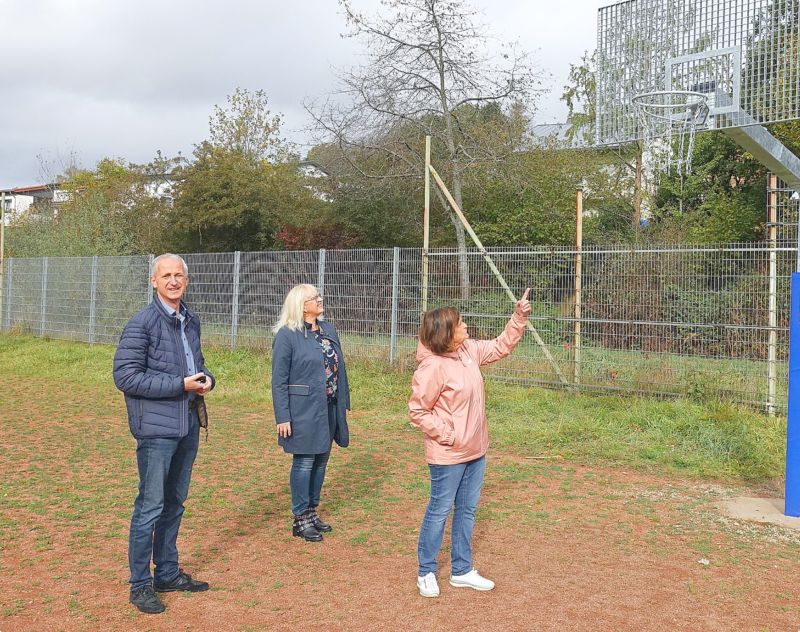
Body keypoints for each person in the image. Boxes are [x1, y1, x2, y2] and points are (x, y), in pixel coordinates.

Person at [409, 289, 532, 598]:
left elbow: (502, 346)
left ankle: (462, 570)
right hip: (448, 454)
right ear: (447, 333)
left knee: (466, 510)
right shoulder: (432, 366)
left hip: (476, 451)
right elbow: (418, 410)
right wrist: (448, 435)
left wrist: (519, 317)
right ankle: (426, 571)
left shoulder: (469, 351)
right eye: (461, 323)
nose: (466, 325)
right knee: (439, 511)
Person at [113, 253, 215, 615]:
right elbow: (125, 377)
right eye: (166, 276)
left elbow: (196, 366)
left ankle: (167, 573)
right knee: (151, 506)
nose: (173, 281)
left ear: (186, 280)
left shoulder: (190, 319)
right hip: (156, 431)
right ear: (153, 282)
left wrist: (206, 380)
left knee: (174, 503)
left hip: (187, 425)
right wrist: (179, 384)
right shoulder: (141, 323)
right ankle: (140, 585)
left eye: (179, 275)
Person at [271, 284, 350, 542]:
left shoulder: (328, 330)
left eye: (319, 296)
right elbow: (279, 380)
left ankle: (312, 511)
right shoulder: (287, 335)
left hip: (328, 406)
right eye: (314, 297)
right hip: (302, 409)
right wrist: (283, 416)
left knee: (321, 460)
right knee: (304, 461)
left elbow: (339, 367)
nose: (320, 299)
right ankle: (300, 516)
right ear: (302, 305)